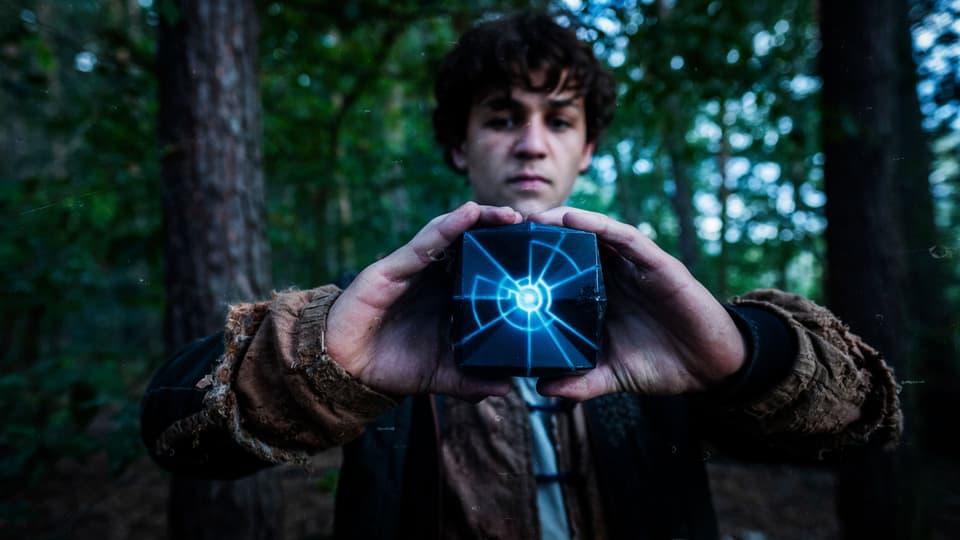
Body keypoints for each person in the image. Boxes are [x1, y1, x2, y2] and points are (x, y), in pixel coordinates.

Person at [141, 12, 902, 540]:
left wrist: (743, 355)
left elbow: (862, 422)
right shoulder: (388, 305)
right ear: (457, 145)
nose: (532, 144)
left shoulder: (656, 304)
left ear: (589, 149)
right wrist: (323, 365)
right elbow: (173, 430)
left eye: (560, 119)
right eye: (503, 117)